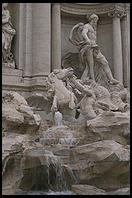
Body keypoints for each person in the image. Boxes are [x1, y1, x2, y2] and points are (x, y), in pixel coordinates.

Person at [69, 14, 119, 85]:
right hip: (88, 46)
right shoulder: (87, 26)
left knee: (104, 62)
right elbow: (83, 33)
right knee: (90, 65)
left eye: (96, 20)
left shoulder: (93, 28)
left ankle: (111, 79)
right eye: (95, 20)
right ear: (91, 20)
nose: (96, 22)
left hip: (95, 47)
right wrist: (88, 40)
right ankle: (92, 80)